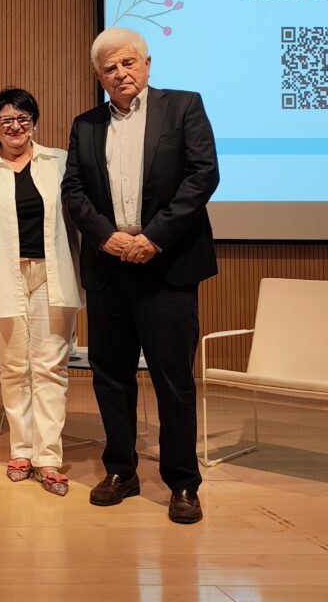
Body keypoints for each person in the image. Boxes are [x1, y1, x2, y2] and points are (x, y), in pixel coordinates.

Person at [61, 26, 219, 524]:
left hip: (166, 266)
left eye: (128, 62)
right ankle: (121, 471)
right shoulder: (85, 125)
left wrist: (154, 237)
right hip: (109, 268)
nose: (120, 73)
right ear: (99, 77)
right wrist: (105, 236)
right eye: (109, 68)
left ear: (147, 64)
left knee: (173, 380)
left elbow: (203, 175)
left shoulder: (184, 107)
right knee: (111, 376)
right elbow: (73, 190)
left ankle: (183, 482)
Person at [0, 87, 82, 496]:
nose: (15, 126)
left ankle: (48, 457)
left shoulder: (58, 162)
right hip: (1, 280)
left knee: (50, 368)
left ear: (34, 123)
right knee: (12, 368)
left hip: (51, 276)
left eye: (23, 118)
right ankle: (21, 451)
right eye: (6, 119)